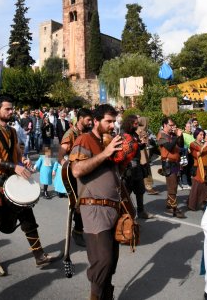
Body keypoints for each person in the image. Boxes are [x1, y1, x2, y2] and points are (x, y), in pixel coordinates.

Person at [0, 95, 53, 277]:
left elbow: (17, 154)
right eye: (7, 109)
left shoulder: (13, 131)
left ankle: (39, 255)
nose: (11, 111)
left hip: (15, 182)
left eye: (12, 108)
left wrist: (23, 161)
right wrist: (14, 166)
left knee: (28, 219)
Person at [70, 104, 123, 300]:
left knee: (112, 261)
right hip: (93, 208)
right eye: (108, 121)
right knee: (102, 260)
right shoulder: (85, 139)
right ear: (96, 120)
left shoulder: (109, 141)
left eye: (114, 121)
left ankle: (107, 296)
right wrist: (105, 153)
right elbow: (76, 170)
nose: (112, 125)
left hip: (114, 208)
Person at [59, 108, 93, 247]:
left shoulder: (87, 133)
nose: (90, 122)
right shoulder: (70, 134)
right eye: (88, 120)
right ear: (80, 119)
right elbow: (60, 156)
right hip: (75, 175)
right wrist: (69, 169)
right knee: (79, 204)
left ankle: (86, 228)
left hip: (87, 173)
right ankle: (77, 232)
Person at [121, 115, 155, 219]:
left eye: (137, 123)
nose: (137, 125)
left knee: (140, 190)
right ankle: (124, 213)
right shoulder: (124, 135)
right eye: (135, 123)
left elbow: (136, 146)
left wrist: (142, 144)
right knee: (126, 191)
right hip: (128, 167)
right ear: (130, 123)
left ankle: (141, 211)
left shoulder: (134, 134)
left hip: (137, 166)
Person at [157, 117, 186, 218]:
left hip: (176, 163)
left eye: (173, 125)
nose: (173, 127)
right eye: (171, 125)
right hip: (168, 163)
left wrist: (180, 136)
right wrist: (176, 137)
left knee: (175, 183)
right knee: (172, 185)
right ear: (165, 125)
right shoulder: (161, 135)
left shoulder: (172, 135)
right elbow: (169, 147)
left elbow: (181, 144)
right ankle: (174, 208)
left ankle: (169, 204)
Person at [187, 128, 207, 211]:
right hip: (198, 167)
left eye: (203, 135)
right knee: (197, 186)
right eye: (200, 134)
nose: (202, 136)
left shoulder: (205, 144)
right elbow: (197, 154)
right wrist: (203, 146)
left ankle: (205, 203)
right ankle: (191, 205)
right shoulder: (193, 144)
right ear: (196, 135)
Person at [136, 116, 159, 195]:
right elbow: (145, 143)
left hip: (141, 153)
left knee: (143, 170)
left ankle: (144, 186)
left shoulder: (138, 129)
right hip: (143, 153)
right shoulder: (142, 131)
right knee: (146, 170)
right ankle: (148, 187)